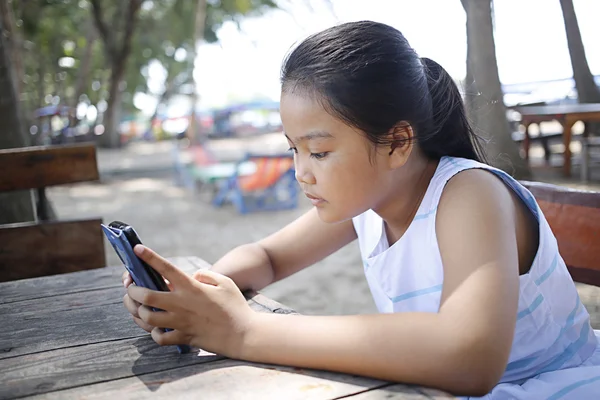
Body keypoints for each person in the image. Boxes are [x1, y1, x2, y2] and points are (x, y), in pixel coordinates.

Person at [122, 21, 600, 399]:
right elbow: (267, 257)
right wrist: (194, 298)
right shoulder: (368, 203)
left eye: (320, 152)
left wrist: (245, 331)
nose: (300, 172)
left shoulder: (469, 194)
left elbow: (470, 356)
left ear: (396, 143)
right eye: (294, 149)